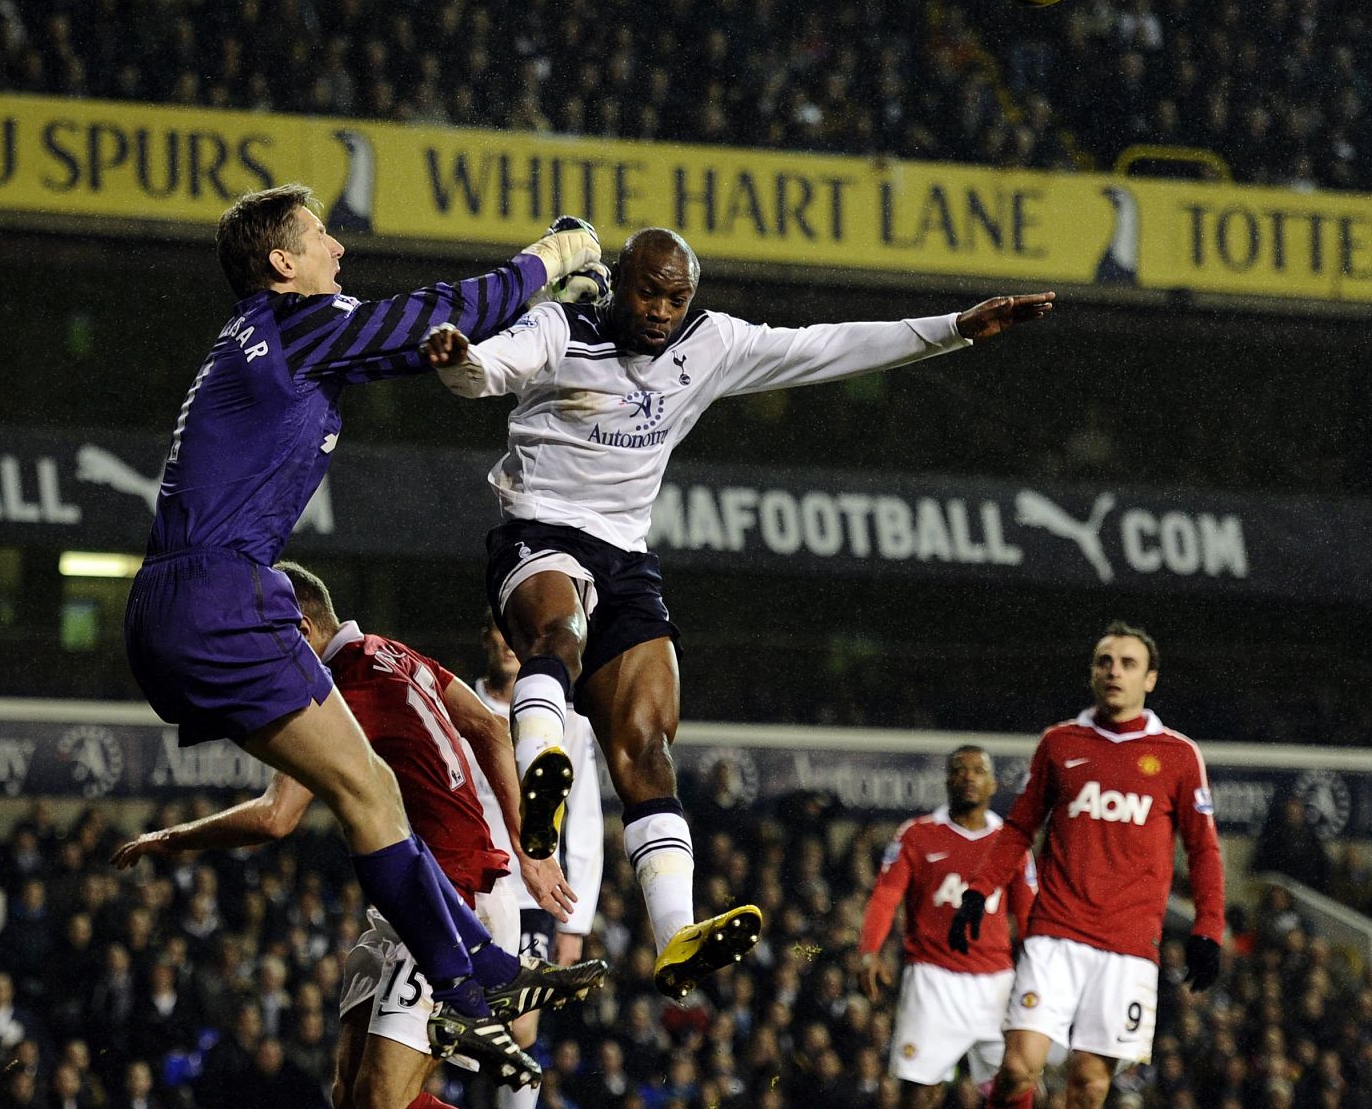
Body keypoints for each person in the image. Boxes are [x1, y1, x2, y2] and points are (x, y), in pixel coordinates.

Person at [423, 224, 1055, 998]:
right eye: (648, 291)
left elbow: (828, 346)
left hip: (625, 553)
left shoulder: (710, 344)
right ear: (619, 281)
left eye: (675, 296)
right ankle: (540, 778)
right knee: (560, 634)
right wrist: (462, 359)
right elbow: (490, 369)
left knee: (650, 749)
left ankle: (675, 934)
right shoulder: (562, 326)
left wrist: (955, 329)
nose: (660, 309)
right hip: (540, 528)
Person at [123, 182, 602, 1052]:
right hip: (225, 597)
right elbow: (437, 315)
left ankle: (475, 973)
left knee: (362, 793)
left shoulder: (251, 343)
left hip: (168, 607)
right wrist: (549, 260)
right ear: (282, 263)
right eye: (320, 237)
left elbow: (274, 819)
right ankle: (470, 979)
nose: (337, 250)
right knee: (367, 793)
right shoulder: (296, 326)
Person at [115, 564, 609, 1105]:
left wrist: (173, 839)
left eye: (262, 639)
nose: (260, 657)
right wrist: (524, 846)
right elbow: (488, 728)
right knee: (349, 1095)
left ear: (298, 629)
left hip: (453, 898)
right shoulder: (391, 652)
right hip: (415, 891)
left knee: (379, 1099)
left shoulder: (334, 689)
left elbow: (275, 815)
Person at [947, 622, 1226, 1109]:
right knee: (1015, 1070)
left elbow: (1203, 849)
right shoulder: (1061, 743)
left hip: (1129, 943)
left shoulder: (1179, 755)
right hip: (1056, 931)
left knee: (1090, 1085)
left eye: (1128, 663)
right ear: (1093, 673)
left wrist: (1208, 927)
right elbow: (1019, 828)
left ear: (1150, 679)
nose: (1114, 671)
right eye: (1105, 662)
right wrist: (978, 891)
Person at [461, 615, 604, 1109]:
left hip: (533, 894)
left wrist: (574, 921)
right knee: (448, 1022)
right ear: (488, 637)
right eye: (501, 630)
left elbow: (583, 817)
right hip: (466, 887)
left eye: (518, 633)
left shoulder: (570, 719)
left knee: (521, 1023)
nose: (508, 642)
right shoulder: (457, 705)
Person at [858, 747, 1041, 1109]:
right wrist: (869, 953)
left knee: (1018, 1081)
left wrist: (1042, 973)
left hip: (996, 983)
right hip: (932, 979)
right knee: (919, 1093)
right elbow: (885, 896)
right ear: (946, 781)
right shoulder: (917, 834)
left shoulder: (1012, 843)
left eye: (977, 770)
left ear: (993, 784)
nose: (968, 777)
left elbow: (1030, 915)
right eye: (959, 770)